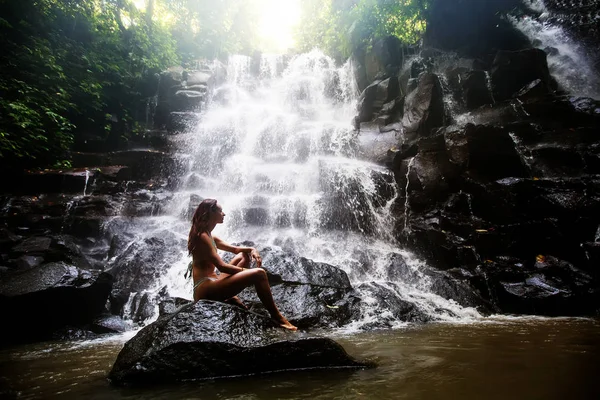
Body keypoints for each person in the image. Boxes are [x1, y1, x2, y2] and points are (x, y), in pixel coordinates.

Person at [187, 198, 297, 331]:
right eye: (220, 211)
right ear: (210, 213)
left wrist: (252, 250)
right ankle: (278, 318)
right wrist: (245, 271)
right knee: (259, 274)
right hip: (204, 289)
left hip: (214, 280)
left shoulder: (210, 235)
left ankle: (230, 296)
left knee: (243, 256)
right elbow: (222, 267)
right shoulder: (202, 237)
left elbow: (235, 249)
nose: (224, 214)